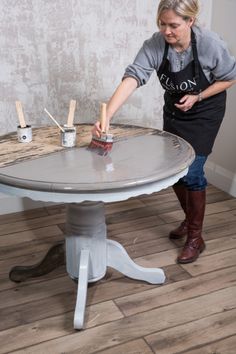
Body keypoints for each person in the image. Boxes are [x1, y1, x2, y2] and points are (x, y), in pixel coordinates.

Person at [92, 0, 236, 264]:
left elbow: (229, 77)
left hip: (205, 111)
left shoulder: (209, 44)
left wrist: (198, 96)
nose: (166, 31)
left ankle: (195, 237)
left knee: (192, 171)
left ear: (190, 22)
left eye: (174, 25)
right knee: (175, 170)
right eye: (162, 24)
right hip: (175, 112)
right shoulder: (156, 44)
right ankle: (189, 220)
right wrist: (107, 115)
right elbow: (133, 76)